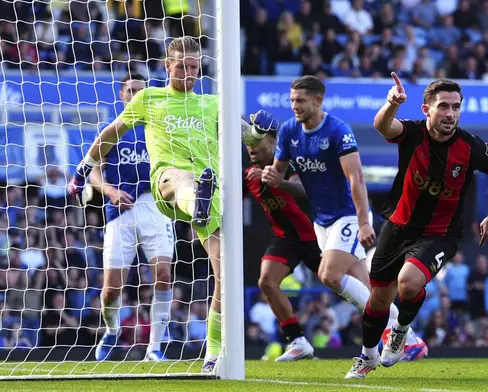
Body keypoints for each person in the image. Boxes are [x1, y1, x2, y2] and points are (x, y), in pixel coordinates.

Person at [68, 36, 259, 373]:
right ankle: (113, 331)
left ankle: (212, 356)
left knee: (225, 272)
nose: (188, 73)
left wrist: (260, 130)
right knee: (182, 178)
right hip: (165, 186)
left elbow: (249, 136)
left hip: (210, 196)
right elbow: (111, 133)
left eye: (194, 67)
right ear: (168, 66)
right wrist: (84, 169)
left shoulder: (214, 102)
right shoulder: (150, 98)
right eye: (181, 66)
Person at [345, 75, 488, 379]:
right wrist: (391, 104)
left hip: (439, 233)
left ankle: (401, 330)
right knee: (378, 299)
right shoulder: (412, 133)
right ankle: (367, 356)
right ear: (426, 109)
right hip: (397, 227)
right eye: (443, 106)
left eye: (456, 107)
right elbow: (382, 125)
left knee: (407, 284)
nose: (450, 114)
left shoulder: (470, 146)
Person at [258, 75, 427, 359]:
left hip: (347, 217)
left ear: (318, 100)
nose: (295, 106)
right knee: (369, 292)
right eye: (292, 101)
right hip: (321, 221)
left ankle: (388, 334)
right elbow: (278, 173)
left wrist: (362, 221)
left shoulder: (337, 130)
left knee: (329, 275)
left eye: (300, 101)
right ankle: (408, 338)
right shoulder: (288, 131)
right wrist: (270, 175)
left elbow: (356, 178)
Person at [88, 73, 175, 362]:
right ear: (122, 95)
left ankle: (154, 347)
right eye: (131, 90)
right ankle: (111, 331)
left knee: (163, 274)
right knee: (112, 289)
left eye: (141, 91)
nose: (136, 95)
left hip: (154, 207)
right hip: (119, 211)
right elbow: (94, 172)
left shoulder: (159, 130)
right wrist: (110, 191)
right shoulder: (112, 130)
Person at [243, 127, 320, 361]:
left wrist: (275, 180)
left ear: (273, 142)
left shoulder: (291, 162)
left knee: (342, 285)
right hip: (285, 238)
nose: (252, 147)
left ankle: (391, 326)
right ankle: (297, 340)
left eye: (258, 141)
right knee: (266, 281)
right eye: (248, 143)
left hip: (316, 236)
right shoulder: (248, 175)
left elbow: (305, 191)